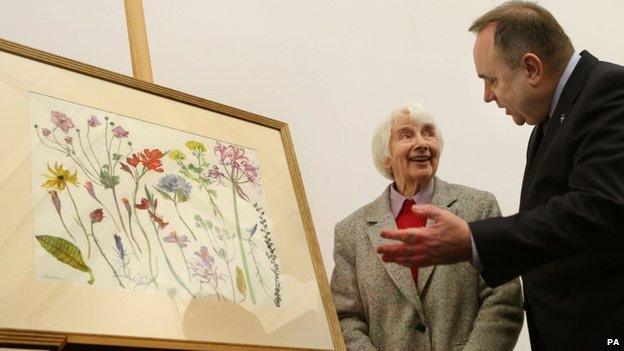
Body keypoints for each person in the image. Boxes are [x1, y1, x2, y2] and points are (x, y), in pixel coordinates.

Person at [377, 2, 624, 350]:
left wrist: (474, 241)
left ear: (531, 68)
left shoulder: (611, 91)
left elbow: (597, 208)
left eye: (491, 80)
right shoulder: (549, 121)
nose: (487, 96)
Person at [330, 103, 523, 350]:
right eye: (406, 135)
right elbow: (345, 317)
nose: (422, 143)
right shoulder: (351, 232)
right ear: (386, 158)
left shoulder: (479, 207)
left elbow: (503, 299)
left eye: (429, 133)